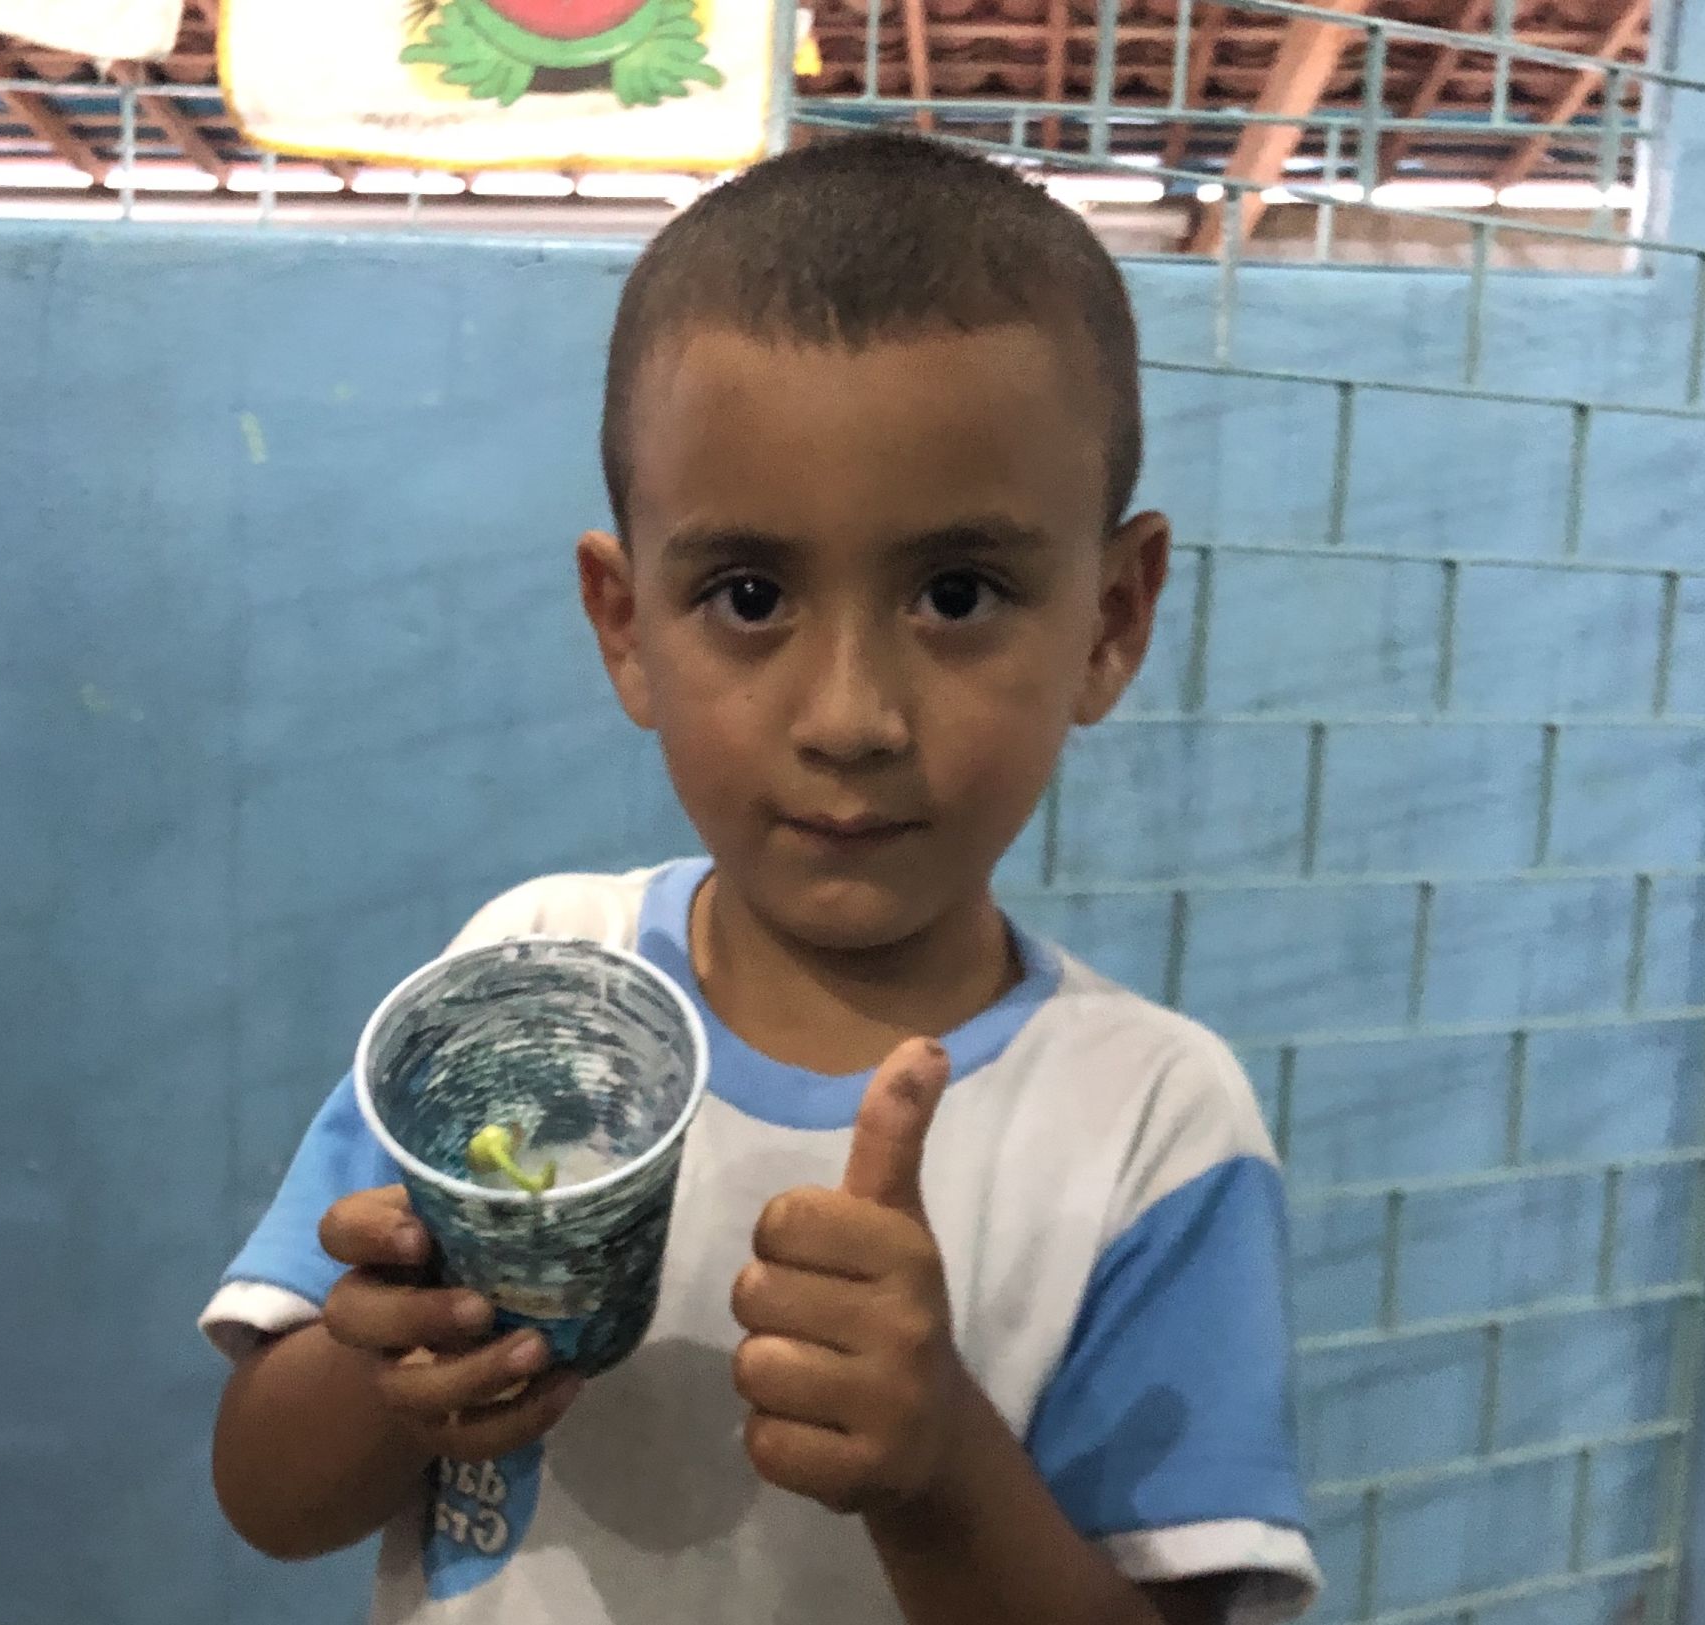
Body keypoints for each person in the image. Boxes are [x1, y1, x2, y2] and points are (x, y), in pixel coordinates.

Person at [199, 129, 1319, 1625]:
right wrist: (389, 1368)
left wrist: (940, 1469)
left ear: (1112, 618)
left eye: (958, 593)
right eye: (748, 596)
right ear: (623, 621)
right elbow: (268, 1499)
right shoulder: (530, 978)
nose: (850, 715)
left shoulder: (1153, 1129)